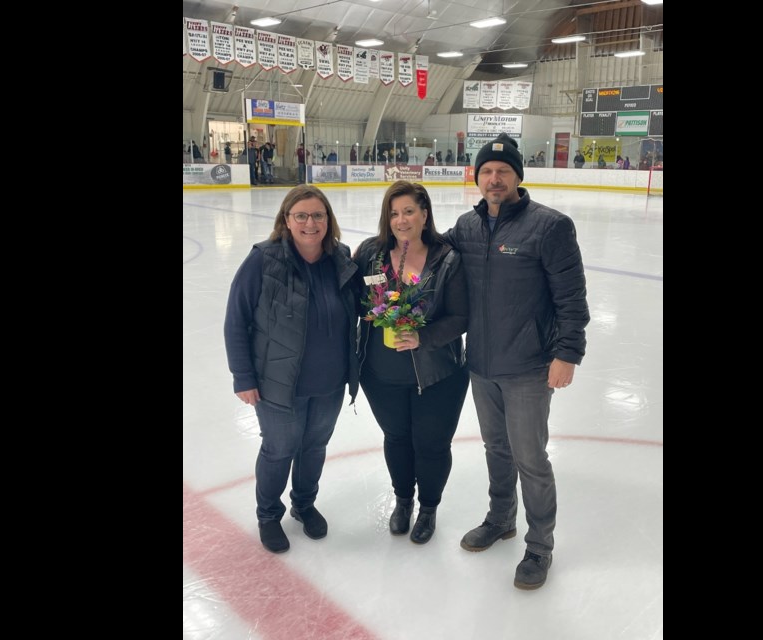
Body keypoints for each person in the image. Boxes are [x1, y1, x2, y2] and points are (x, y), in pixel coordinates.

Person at [444, 133, 589, 590]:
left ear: (517, 177)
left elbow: (572, 298)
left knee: (530, 456)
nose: (494, 178)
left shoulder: (550, 226)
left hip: (529, 366)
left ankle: (540, 545)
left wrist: (567, 354)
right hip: (482, 364)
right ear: (477, 177)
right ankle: (500, 517)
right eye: (486, 171)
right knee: (496, 449)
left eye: (503, 171)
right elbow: (426, 256)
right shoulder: (466, 228)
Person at [224, 185, 360, 554]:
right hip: (278, 382)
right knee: (280, 448)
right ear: (286, 220)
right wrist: (243, 377)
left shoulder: (341, 258)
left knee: (314, 446)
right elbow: (236, 320)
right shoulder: (263, 260)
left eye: (318, 215)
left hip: (330, 380)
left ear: (328, 220)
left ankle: (303, 503)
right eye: (301, 215)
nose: (310, 223)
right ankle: (269, 514)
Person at [355, 181, 469, 545]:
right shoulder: (370, 254)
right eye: (393, 213)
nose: (400, 220)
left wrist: (424, 337)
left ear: (424, 214)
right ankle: (403, 501)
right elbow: (352, 300)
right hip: (381, 375)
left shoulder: (446, 258)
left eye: (407, 211)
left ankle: (429, 507)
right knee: (398, 438)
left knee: (432, 445)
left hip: (438, 375)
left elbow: (460, 317)